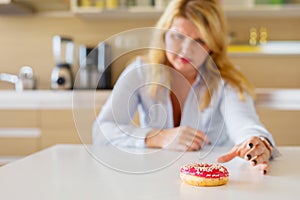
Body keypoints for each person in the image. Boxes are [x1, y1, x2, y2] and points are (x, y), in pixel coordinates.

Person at [93, 0, 278, 175]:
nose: (185, 50)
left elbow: (245, 124)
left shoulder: (227, 80)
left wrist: (257, 143)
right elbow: (102, 131)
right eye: (178, 36)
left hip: (214, 183)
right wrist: (157, 137)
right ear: (164, 35)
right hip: (155, 178)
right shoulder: (141, 71)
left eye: (200, 41)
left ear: (213, 46)